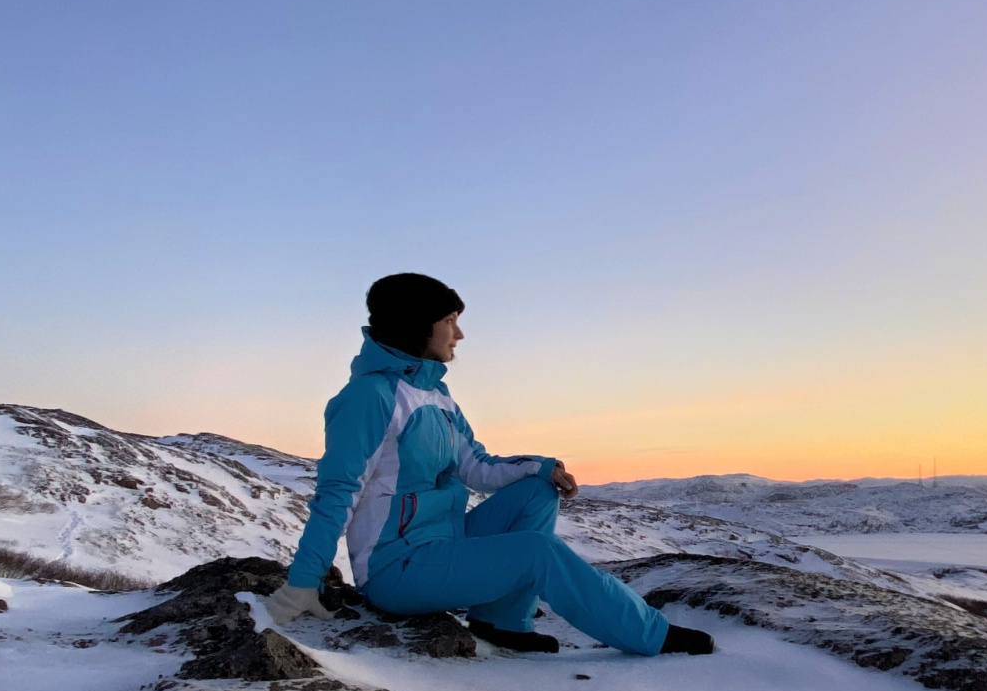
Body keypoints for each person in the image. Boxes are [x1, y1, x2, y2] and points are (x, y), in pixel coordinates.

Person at [264, 273, 714, 656]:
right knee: (536, 552)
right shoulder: (370, 397)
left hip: (447, 543)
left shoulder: (437, 396)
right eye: (450, 321)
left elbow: (476, 466)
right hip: (397, 569)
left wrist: (540, 468)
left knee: (537, 493)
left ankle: (502, 622)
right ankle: (649, 633)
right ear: (417, 324)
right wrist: (305, 580)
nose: (458, 335)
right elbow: (338, 491)